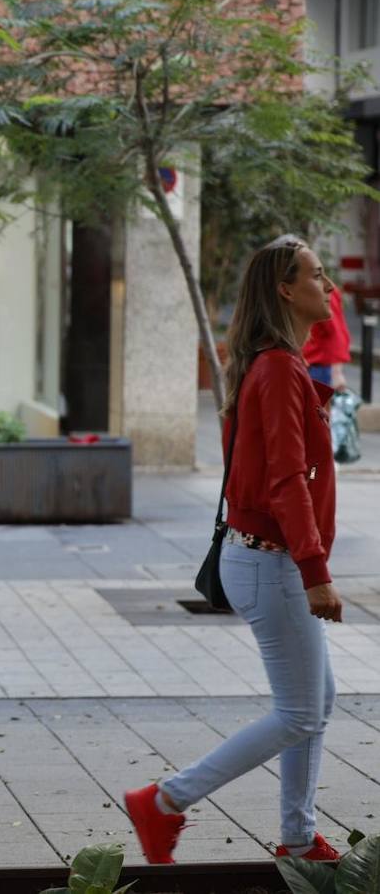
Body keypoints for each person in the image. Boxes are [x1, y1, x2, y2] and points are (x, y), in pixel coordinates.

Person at [124, 234, 344, 865]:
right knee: (300, 710)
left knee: (315, 702)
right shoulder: (275, 368)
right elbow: (283, 479)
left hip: (265, 558)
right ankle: (164, 800)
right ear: (285, 288)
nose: (328, 287)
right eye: (316, 275)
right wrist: (315, 570)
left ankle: (299, 838)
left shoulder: (279, 365)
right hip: (271, 561)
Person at [303, 284, 351, 389]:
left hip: (320, 358)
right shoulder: (328, 288)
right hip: (324, 357)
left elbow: (331, 327)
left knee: (318, 401)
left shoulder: (318, 290)